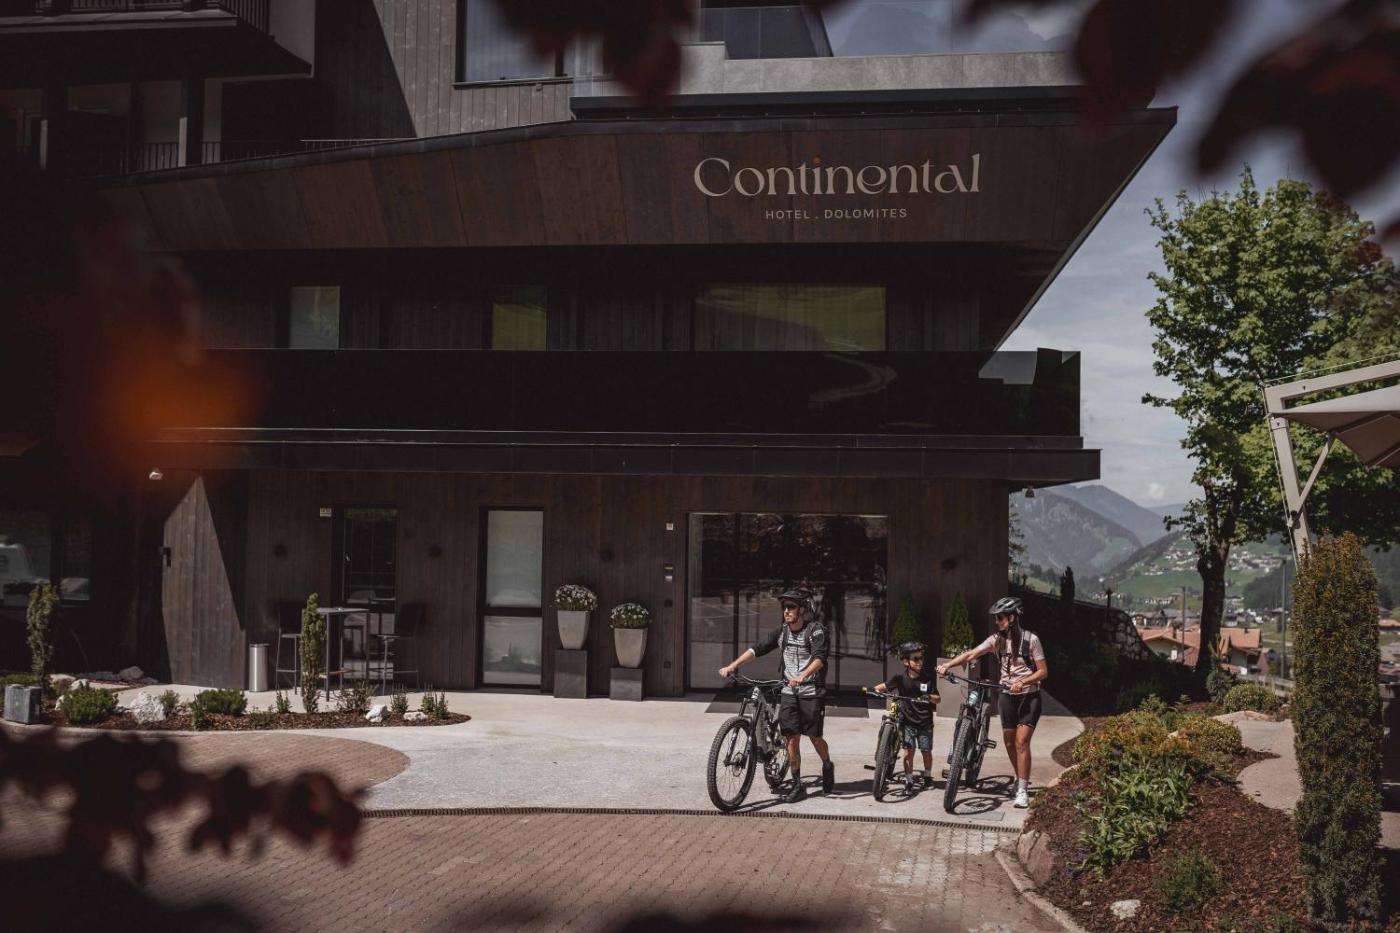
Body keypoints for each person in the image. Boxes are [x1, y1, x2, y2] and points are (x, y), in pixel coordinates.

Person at [718, 588, 832, 802]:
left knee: (815, 738)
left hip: (811, 692)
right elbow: (757, 649)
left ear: (802, 610)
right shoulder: (782, 632)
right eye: (784, 607)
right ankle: (797, 785)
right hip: (789, 691)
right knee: (791, 739)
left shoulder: (815, 631)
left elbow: (819, 658)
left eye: (791, 607)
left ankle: (827, 764)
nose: (786, 611)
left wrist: (802, 676)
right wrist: (732, 666)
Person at [937, 596, 1047, 808]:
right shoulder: (996, 640)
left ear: (1012, 618)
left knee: (1021, 742)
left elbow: (1043, 671)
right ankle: (1020, 777)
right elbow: (972, 653)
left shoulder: (1032, 640)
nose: (996, 622)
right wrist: (948, 665)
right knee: (1009, 742)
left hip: (1029, 697)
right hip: (1006, 695)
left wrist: (1022, 682)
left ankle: (1022, 790)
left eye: (1000, 618)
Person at [873, 641, 940, 790]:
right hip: (908, 722)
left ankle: (927, 776)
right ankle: (909, 780)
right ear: (906, 662)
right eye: (916, 659)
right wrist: (875, 690)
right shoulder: (900, 678)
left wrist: (929, 697)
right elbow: (884, 686)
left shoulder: (927, 678)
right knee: (908, 752)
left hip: (925, 722)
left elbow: (938, 698)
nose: (920, 661)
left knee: (926, 751)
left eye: (921, 658)